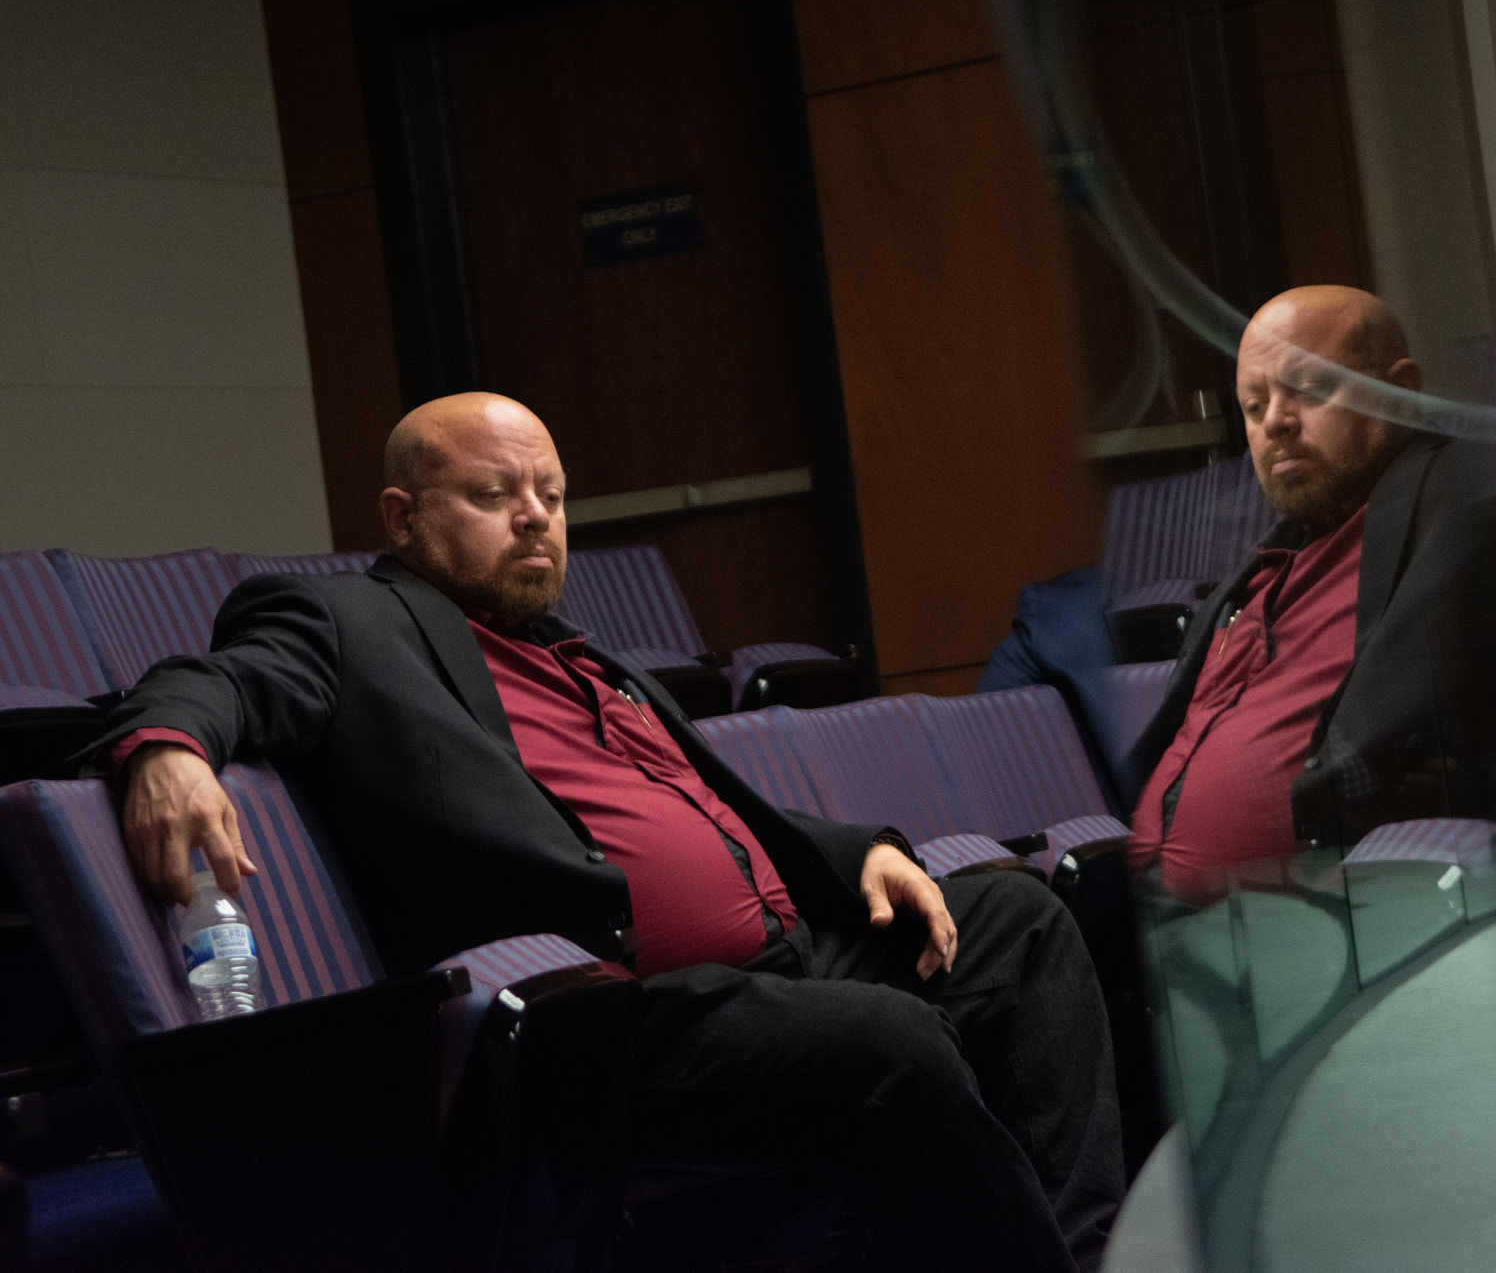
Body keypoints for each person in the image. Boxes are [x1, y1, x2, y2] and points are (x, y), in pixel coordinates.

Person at [87, 393, 1123, 1272]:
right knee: (885, 1038)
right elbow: (209, 679)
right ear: (401, 519)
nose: (535, 518)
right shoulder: (348, 623)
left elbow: (712, 811)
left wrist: (861, 851)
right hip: (611, 1019)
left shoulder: (575, 651)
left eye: (549, 493)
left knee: (1019, 918)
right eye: (496, 495)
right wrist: (168, 749)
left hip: (778, 962)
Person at [1125, 285, 1480, 902]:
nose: (1276, 423)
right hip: (1145, 919)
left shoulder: (1448, 514)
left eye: (1310, 390)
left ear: (1403, 392)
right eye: (1254, 405)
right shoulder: (1266, 565)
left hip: (1314, 925)